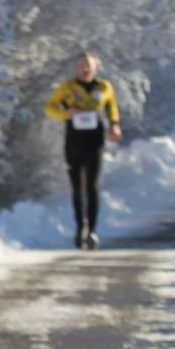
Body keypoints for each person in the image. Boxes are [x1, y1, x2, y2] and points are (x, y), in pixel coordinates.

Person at [43, 52, 121, 249]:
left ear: (95, 68)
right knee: (77, 188)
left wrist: (114, 125)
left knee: (92, 186)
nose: (85, 69)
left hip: (95, 141)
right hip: (74, 141)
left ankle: (92, 230)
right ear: (76, 68)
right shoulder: (68, 87)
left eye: (88, 66)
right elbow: (50, 107)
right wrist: (65, 114)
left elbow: (112, 107)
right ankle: (80, 229)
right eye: (81, 65)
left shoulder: (104, 87)